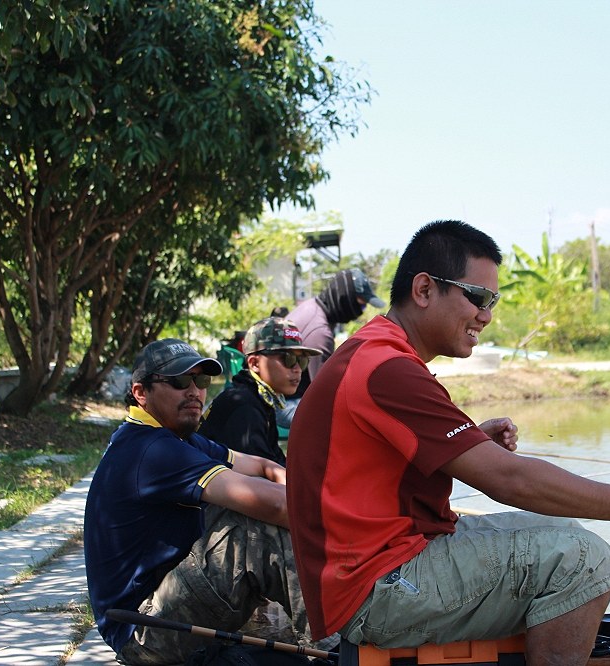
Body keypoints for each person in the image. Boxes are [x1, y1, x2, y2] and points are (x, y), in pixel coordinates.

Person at [286, 220, 610, 665]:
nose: (486, 315)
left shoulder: (378, 354)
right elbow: (510, 480)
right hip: (376, 586)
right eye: (477, 297)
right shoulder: (387, 368)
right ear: (423, 290)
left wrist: (471, 443)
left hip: (380, 563)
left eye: (491, 301)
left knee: (566, 534)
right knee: (586, 562)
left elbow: (387, 461)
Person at [84, 338, 316, 665]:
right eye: (180, 381)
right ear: (140, 393)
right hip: (144, 631)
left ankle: (340, 632)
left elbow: (265, 468)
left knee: (263, 513)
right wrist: (351, 520)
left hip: (161, 610)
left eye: (201, 381)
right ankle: (342, 646)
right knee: (252, 532)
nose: (194, 391)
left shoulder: (177, 438)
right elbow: (275, 505)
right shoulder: (151, 450)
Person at [200, 317, 320, 465]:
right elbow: (262, 476)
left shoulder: (260, 398)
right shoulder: (245, 407)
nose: (297, 369)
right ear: (255, 363)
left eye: (302, 361)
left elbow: (274, 460)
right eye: (288, 359)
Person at [277, 268, 385, 428]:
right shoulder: (320, 332)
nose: (358, 314)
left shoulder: (313, 306)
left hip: (286, 395)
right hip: (283, 405)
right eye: (360, 307)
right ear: (345, 299)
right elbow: (326, 394)